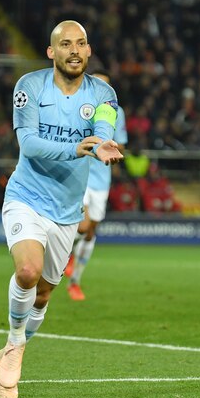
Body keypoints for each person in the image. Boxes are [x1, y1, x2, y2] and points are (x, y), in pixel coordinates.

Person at [0, 20, 123, 398]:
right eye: (65, 44)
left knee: (45, 294)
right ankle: (15, 345)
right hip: (26, 197)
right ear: (52, 52)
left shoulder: (104, 93)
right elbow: (30, 145)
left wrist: (100, 142)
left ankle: (14, 344)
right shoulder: (29, 87)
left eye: (80, 43)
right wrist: (80, 148)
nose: (74, 50)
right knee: (28, 271)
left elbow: (103, 126)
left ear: (88, 50)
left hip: (66, 209)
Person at [64, 69, 128, 301]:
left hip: (102, 178)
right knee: (82, 226)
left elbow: (120, 142)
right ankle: (66, 256)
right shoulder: (80, 107)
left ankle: (75, 282)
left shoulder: (117, 112)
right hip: (80, 174)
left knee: (90, 232)